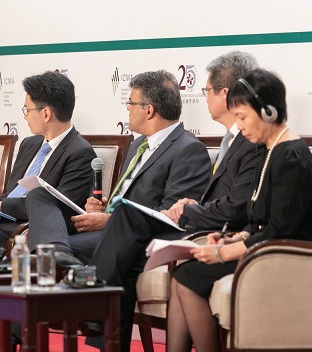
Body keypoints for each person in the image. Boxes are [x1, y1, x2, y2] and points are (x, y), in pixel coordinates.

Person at [0, 70, 96, 352]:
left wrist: (1, 206)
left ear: (45, 113)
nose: (24, 115)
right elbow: (13, 192)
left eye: (27, 109)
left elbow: (58, 208)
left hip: (29, 227)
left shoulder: (80, 152)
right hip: (6, 216)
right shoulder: (30, 143)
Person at [167, 69, 312, 352]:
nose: (240, 126)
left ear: (269, 112)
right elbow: (258, 219)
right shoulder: (268, 149)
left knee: (187, 280)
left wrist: (223, 253)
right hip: (265, 248)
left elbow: (280, 230)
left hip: (289, 256)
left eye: (243, 117)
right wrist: (231, 239)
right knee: (182, 275)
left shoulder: (291, 158)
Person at [63, 70, 212, 351]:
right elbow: (125, 200)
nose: (127, 110)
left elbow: (173, 213)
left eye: (130, 104)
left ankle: (95, 312)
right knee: (54, 247)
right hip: (119, 231)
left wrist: (111, 219)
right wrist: (106, 206)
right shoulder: (136, 146)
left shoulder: (188, 150)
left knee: (120, 257)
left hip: (151, 237)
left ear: (149, 110)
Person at [164, 50, 262, 232]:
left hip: (225, 238)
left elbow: (237, 208)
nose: (206, 98)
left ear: (225, 93)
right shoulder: (230, 140)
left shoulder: (253, 143)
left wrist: (190, 210)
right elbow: (221, 196)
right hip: (207, 229)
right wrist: (194, 204)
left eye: (207, 91)